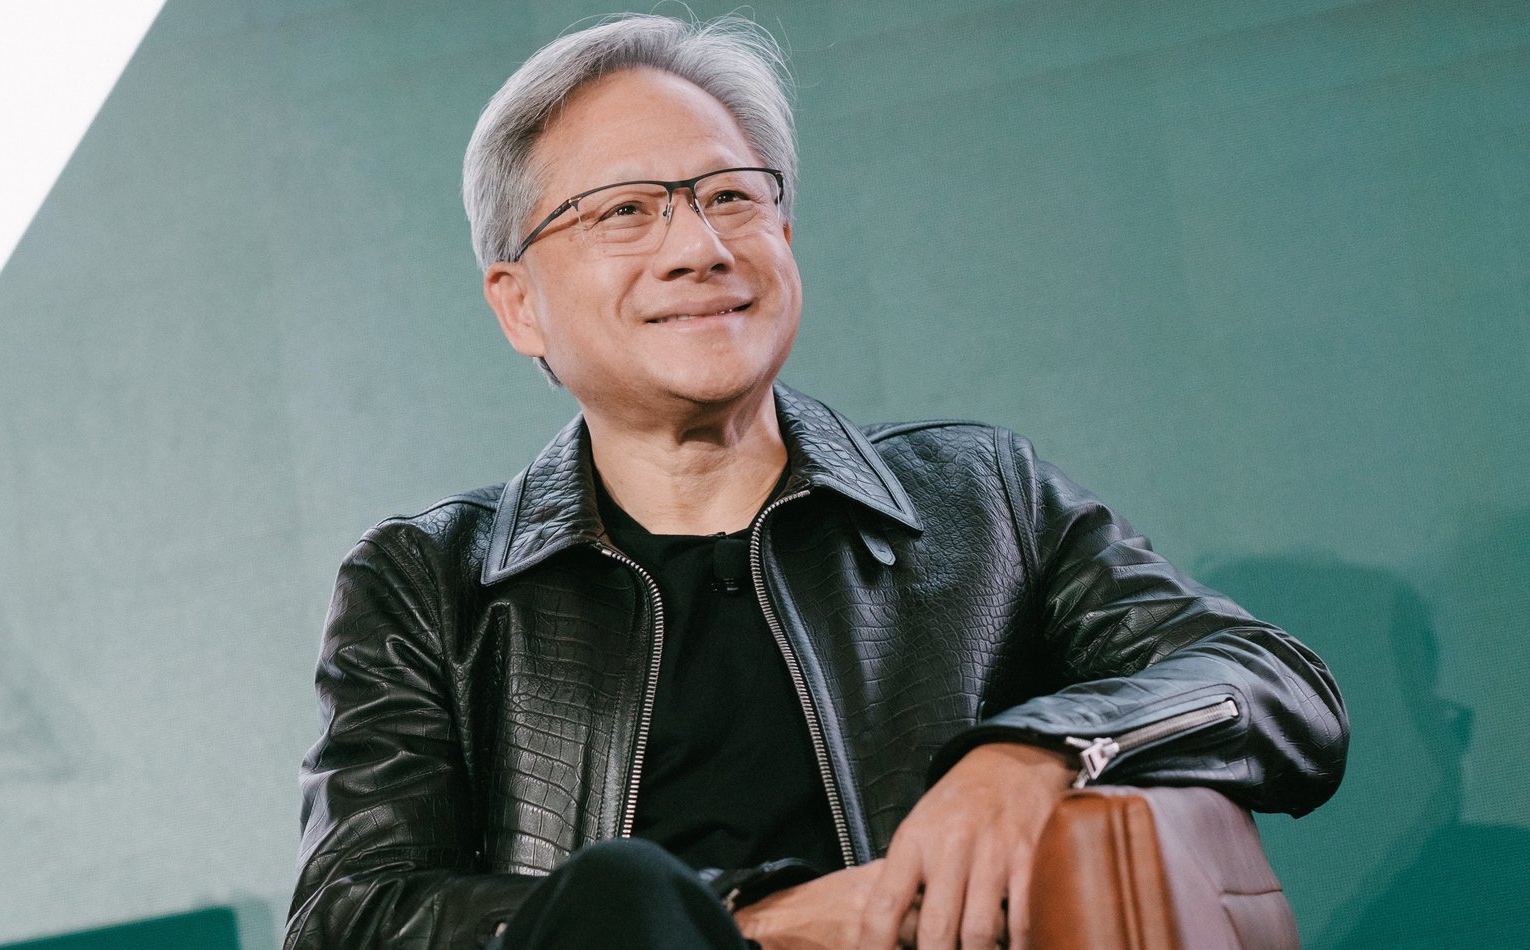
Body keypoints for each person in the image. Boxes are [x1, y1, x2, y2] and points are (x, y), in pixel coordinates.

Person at [286, 13, 1346, 950]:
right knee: (619, 890)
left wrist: (1038, 748)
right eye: (624, 212)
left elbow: (1277, 685)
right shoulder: (429, 583)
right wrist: (754, 919)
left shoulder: (980, 499)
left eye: (730, 197)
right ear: (519, 304)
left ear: (784, 238)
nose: (699, 247)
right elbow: (350, 916)